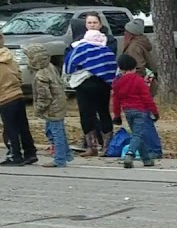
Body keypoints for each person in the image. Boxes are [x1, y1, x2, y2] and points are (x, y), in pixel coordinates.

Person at [63, 23, 117, 157]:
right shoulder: (107, 51)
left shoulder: (79, 49)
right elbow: (112, 68)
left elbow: (69, 65)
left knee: (86, 114)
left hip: (84, 86)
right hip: (103, 85)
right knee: (104, 113)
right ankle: (106, 147)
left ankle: (91, 146)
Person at [24, 43, 74, 168]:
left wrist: (39, 109)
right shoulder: (50, 67)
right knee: (56, 131)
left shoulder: (41, 76)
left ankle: (60, 159)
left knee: (55, 133)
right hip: (59, 104)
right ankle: (66, 154)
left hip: (52, 109)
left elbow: (45, 97)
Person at [110, 53, 160, 169]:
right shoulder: (138, 80)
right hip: (141, 110)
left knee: (138, 134)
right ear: (134, 67)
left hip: (127, 111)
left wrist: (117, 115)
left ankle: (146, 159)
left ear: (121, 68)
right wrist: (154, 111)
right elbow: (146, 97)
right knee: (137, 134)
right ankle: (130, 154)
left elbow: (116, 100)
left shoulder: (118, 83)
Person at [0, 32, 37, 166]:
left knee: (10, 129)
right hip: (17, 93)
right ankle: (30, 152)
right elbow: (19, 74)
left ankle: (15, 155)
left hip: (4, 97)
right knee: (22, 126)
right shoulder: (9, 57)